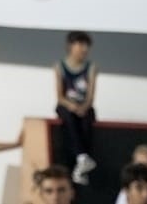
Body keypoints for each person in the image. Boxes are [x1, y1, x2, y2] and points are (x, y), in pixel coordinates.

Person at [54, 31, 97, 184]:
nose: (84, 49)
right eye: (80, 45)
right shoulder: (60, 66)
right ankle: (82, 158)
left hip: (84, 107)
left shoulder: (91, 67)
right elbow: (60, 96)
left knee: (86, 122)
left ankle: (81, 165)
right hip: (66, 106)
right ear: (70, 46)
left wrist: (83, 107)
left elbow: (91, 96)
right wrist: (71, 105)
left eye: (86, 46)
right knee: (68, 118)